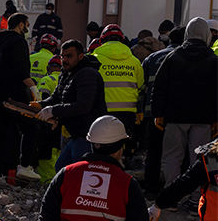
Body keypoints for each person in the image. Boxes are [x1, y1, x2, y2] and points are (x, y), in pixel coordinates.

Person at [151, 17, 218, 189]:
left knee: (172, 156)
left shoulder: (173, 57)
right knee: (200, 159)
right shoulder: (213, 60)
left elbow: (159, 87)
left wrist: (158, 113)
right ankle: (195, 199)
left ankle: (170, 196)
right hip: (203, 119)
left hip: (175, 117)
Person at [35, 39, 107, 170]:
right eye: (62, 56)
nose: (64, 60)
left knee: (77, 171)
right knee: (62, 168)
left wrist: (53, 111)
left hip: (87, 134)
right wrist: (40, 105)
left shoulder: (87, 74)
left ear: (80, 56)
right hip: (74, 133)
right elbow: (56, 97)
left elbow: (84, 105)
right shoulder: (67, 73)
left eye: (69, 56)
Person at [0, 13, 41, 184]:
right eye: (26, 24)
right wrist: (33, 88)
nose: (27, 28)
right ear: (20, 25)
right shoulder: (18, 42)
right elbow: (20, 70)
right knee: (30, 127)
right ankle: (25, 166)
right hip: (13, 94)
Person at [139, 26, 186, 192]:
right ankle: (177, 189)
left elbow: (141, 87)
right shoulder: (185, 58)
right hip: (177, 115)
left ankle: (151, 188)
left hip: (152, 114)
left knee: (154, 152)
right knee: (178, 153)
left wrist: (140, 111)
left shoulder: (152, 58)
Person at [92, 24, 144, 137]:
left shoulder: (94, 58)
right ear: (122, 39)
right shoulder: (134, 61)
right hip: (128, 112)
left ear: (102, 40)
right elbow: (140, 85)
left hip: (102, 110)